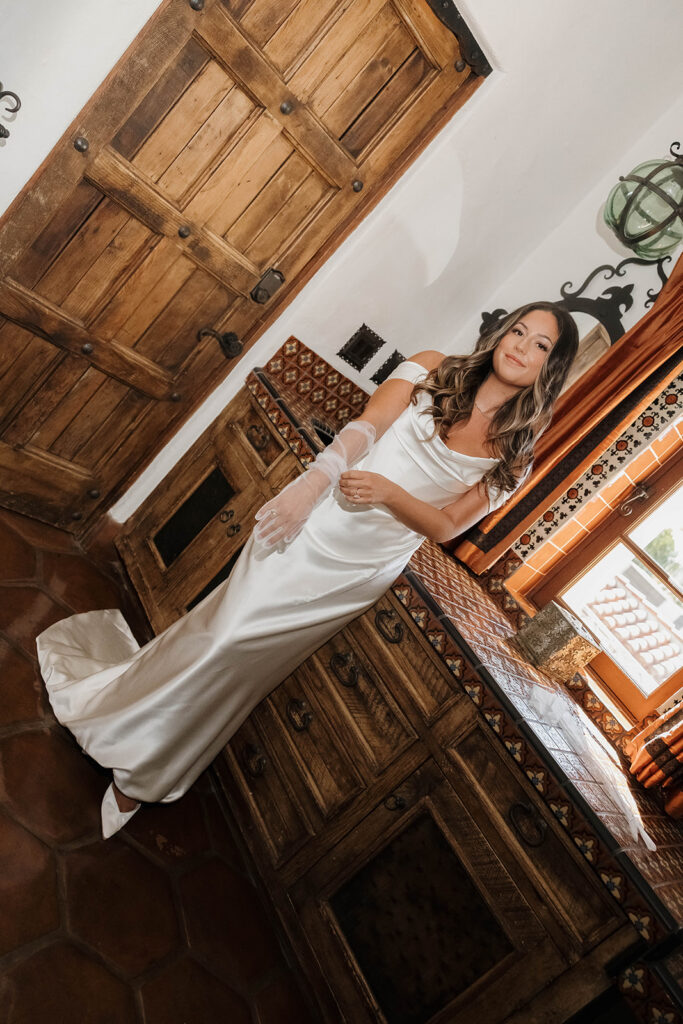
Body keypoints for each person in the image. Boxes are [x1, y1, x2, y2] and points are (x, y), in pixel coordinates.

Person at [36, 302, 578, 838]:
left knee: (243, 669)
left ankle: (150, 766)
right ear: (501, 333)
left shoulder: (515, 455)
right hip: (316, 520)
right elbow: (367, 427)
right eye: (518, 330)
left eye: (540, 345)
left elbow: (446, 526)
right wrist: (310, 486)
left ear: (550, 368)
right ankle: (130, 740)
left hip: (360, 570)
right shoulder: (433, 366)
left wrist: (389, 493)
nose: (520, 347)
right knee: (219, 636)